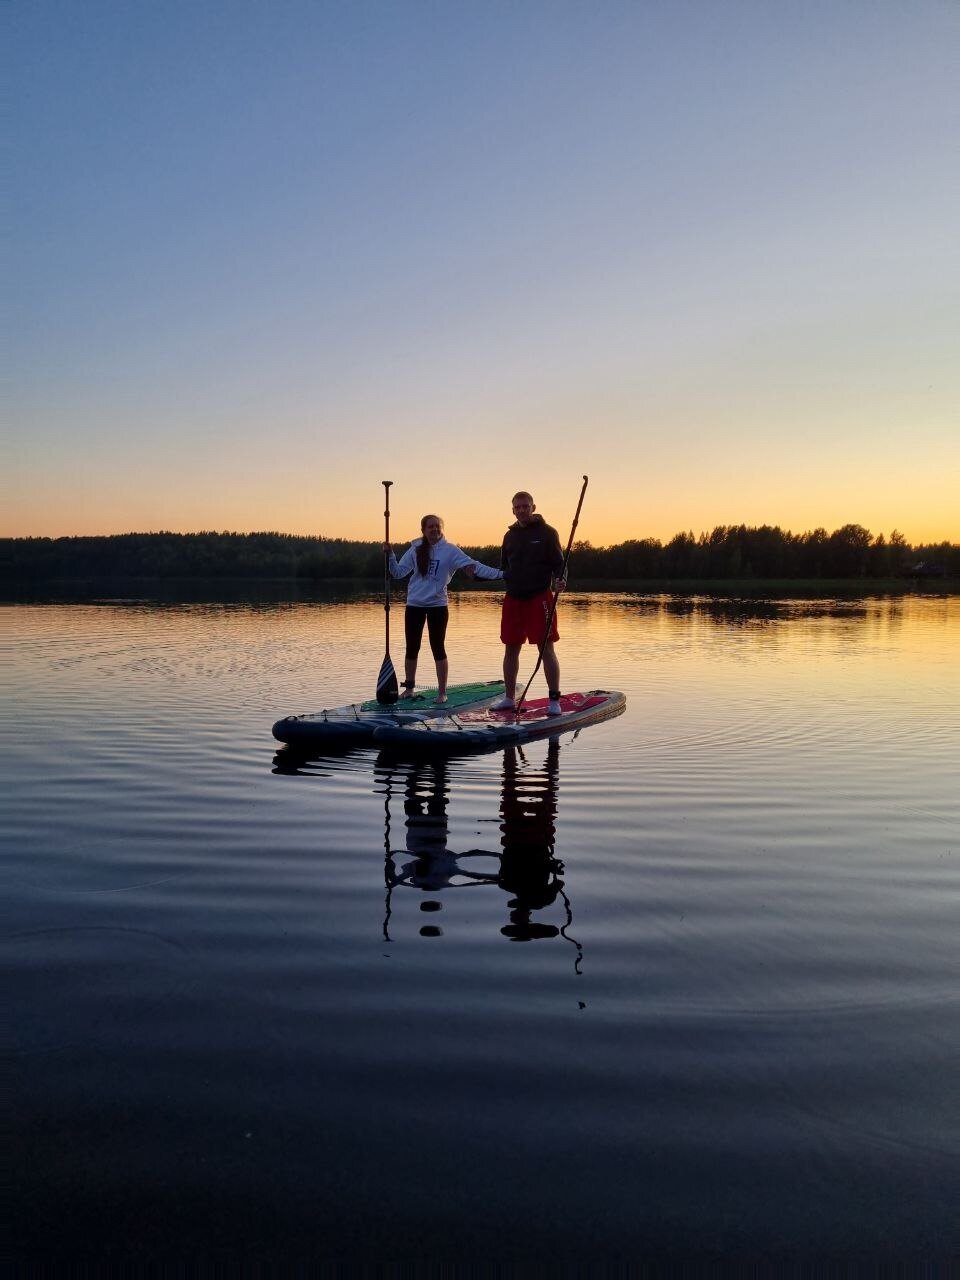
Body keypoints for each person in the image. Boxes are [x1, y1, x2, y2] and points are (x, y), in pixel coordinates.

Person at [385, 514, 502, 702]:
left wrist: (502, 574)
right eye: (430, 527)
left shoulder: (451, 551)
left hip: (437, 606)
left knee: (437, 647)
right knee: (411, 647)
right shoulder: (415, 549)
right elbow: (398, 573)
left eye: (437, 526)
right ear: (423, 530)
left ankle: (442, 693)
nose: (434, 529)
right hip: (414, 604)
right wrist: (390, 554)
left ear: (442, 529)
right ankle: (409, 689)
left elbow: (475, 566)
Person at [491, 491, 565, 716]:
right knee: (510, 648)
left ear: (533, 507)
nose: (522, 510)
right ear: (512, 509)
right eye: (518, 507)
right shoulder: (509, 536)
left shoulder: (548, 533)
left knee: (546, 649)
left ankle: (554, 700)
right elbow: (505, 567)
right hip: (513, 598)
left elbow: (559, 564)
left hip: (539, 598)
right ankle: (509, 698)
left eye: (525, 506)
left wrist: (560, 580)